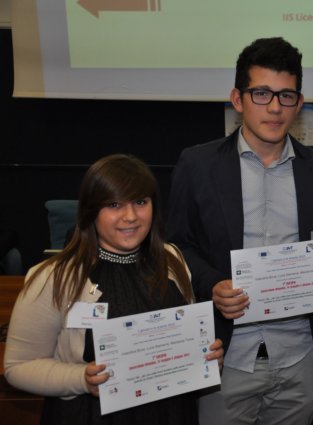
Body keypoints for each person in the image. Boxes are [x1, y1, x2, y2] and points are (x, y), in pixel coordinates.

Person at [167, 37, 313, 425]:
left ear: (299, 103)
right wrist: (212, 284)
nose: (275, 107)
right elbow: (178, 245)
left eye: (286, 96)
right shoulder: (198, 165)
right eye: (262, 93)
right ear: (238, 99)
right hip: (226, 356)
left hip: (299, 357)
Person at [4, 154, 223, 425]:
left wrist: (204, 356)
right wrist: (82, 379)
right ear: (91, 211)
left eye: (140, 202)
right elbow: (18, 367)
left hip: (170, 413)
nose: (130, 216)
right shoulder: (54, 277)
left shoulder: (172, 259)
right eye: (114, 204)